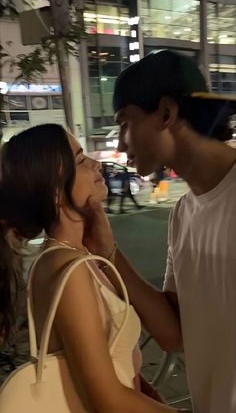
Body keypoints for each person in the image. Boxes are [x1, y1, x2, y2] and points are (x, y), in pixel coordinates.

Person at [0, 123, 186, 413]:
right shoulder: (68, 269)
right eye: (81, 160)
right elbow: (108, 400)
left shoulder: (74, 257)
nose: (96, 163)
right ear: (55, 192)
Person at [111, 49, 236, 413]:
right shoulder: (182, 213)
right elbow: (175, 333)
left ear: (166, 113)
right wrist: (109, 254)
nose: (120, 145)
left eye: (124, 123)